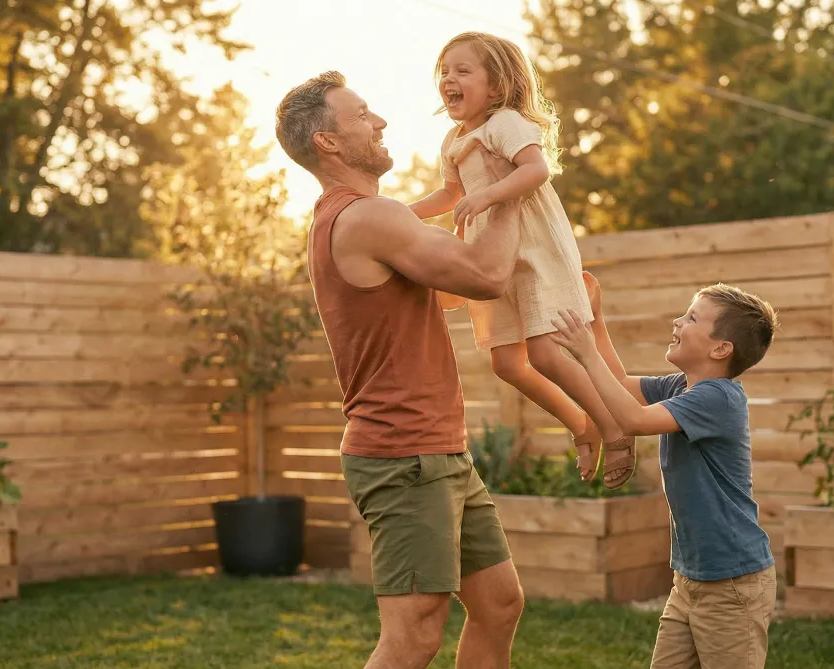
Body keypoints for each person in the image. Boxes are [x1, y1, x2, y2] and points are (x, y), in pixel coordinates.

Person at [274, 71, 525, 669]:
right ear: (329, 143)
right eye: (362, 114)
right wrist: (509, 186)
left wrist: (472, 205)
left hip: (437, 450)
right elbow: (485, 277)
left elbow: (456, 292)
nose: (380, 121)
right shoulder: (365, 217)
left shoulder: (368, 219)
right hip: (403, 453)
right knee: (413, 637)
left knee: (498, 603)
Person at [408, 31, 636, 488]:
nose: (449, 79)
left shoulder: (504, 121)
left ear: (495, 87)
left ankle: (615, 428)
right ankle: (580, 423)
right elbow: (451, 194)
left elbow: (536, 169)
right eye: (445, 72)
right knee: (506, 364)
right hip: (491, 256)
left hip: (533, 247)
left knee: (547, 353)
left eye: (462, 70)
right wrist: (398, 214)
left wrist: (489, 194)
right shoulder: (454, 138)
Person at [549, 283, 780, 669]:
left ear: (720, 349)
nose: (677, 320)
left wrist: (585, 351)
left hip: (732, 585)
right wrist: (597, 322)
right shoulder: (680, 387)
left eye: (691, 318)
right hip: (689, 580)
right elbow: (619, 386)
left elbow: (633, 419)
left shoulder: (719, 398)